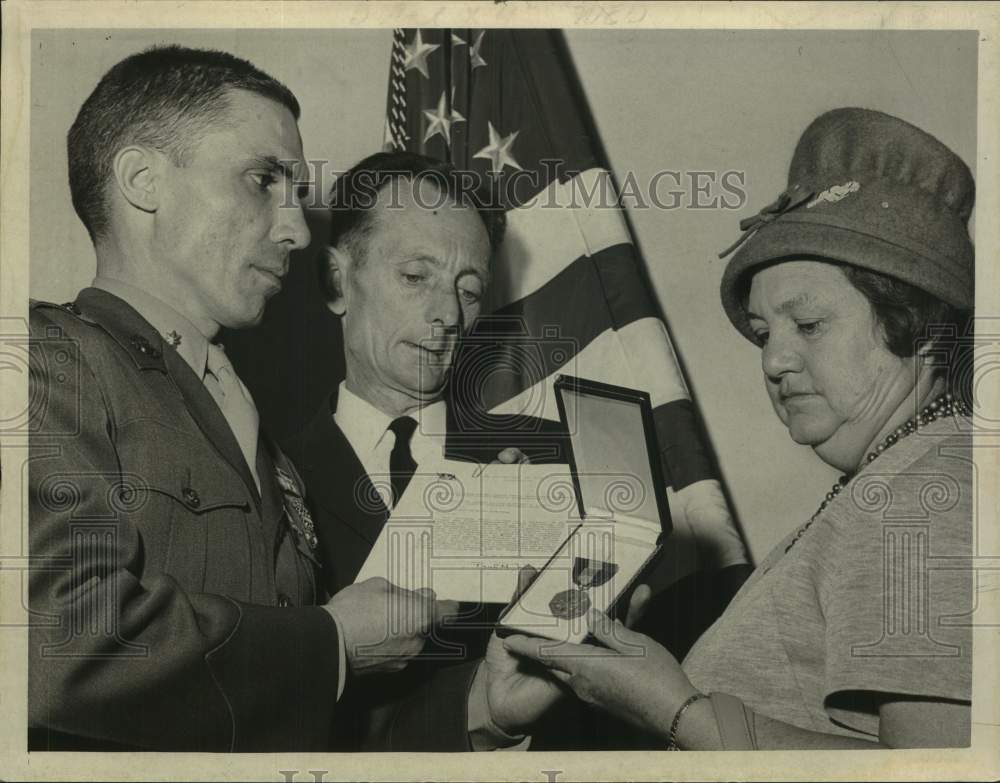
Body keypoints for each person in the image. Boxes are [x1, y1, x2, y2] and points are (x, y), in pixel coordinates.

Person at [28, 45, 457, 752]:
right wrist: (333, 639)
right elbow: (55, 644)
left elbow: (281, 711)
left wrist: (486, 716)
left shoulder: (248, 417)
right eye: (265, 179)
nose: (294, 228)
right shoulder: (48, 364)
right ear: (142, 180)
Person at [504, 107, 975, 749]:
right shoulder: (893, 483)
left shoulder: (921, 493)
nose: (774, 360)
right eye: (763, 333)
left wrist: (675, 709)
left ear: (916, 325)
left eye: (807, 325)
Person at [284, 151, 581, 750]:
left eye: (468, 290)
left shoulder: (554, 463)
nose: (447, 315)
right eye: (416, 277)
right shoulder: (267, 477)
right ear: (336, 281)